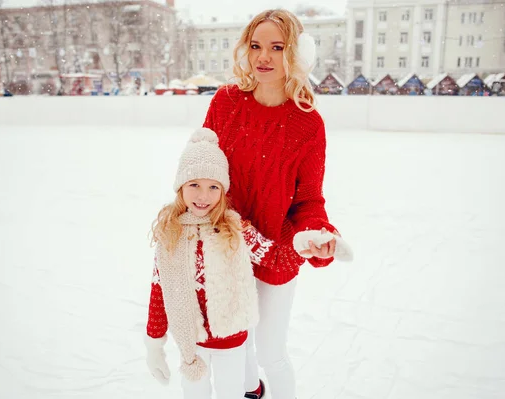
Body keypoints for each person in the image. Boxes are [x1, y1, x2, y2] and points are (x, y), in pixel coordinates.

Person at [202, 9, 352, 399]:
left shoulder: (307, 123)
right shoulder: (226, 102)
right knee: (233, 340)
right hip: (226, 243)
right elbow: (204, 166)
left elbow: (308, 199)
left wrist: (314, 233)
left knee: (270, 350)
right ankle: (252, 391)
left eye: (276, 47)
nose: (263, 57)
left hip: (276, 251)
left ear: (297, 54)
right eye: (255, 46)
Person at [145, 127, 313, 399]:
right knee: (194, 393)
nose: (203, 196)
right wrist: (154, 344)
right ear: (180, 187)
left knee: (229, 393)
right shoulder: (170, 234)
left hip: (231, 338)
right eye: (194, 185)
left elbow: (274, 258)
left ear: (223, 191)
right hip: (191, 340)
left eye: (213, 187)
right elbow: (159, 288)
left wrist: (304, 245)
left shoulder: (236, 229)